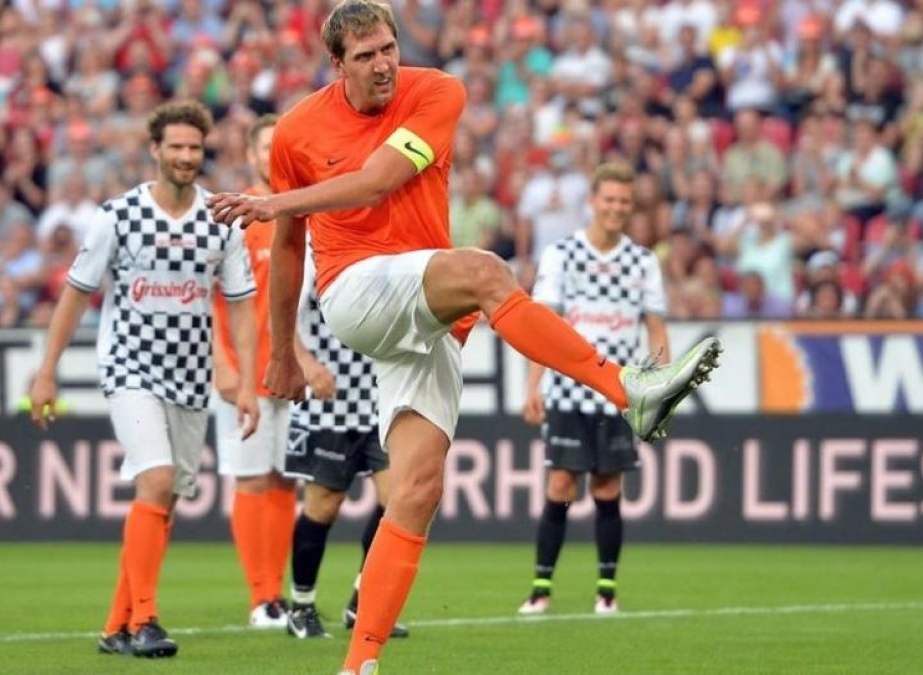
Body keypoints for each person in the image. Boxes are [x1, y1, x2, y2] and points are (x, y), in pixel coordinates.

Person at [206, 3, 721, 673]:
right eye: (365, 56)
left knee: (417, 489)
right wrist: (280, 350)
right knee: (484, 270)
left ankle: (358, 664)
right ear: (336, 65)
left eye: (388, 47)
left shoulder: (438, 91)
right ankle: (628, 388)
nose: (383, 63)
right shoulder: (297, 131)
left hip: (423, 303)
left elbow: (382, 178)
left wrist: (276, 201)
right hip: (355, 293)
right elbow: (290, 250)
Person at [28, 100, 260, 658]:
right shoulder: (118, 215)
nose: (185, 156)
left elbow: (242, 305)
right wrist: (46, 373)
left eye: (194, 148)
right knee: (155, 482)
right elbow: (76, 294)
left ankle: (115, 625)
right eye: (175, 147)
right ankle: (145, 621)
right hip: (130, 369)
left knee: (164, 502)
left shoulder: (220, 219)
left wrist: (247, 380)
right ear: (154, 150)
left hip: (191, 376)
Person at [517, 163, 669, 616]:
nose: (617, 208)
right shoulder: (562, 254)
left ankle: (606, 590)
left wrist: (657, 389)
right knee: (561, 483)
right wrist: (533, 386)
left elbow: (656, 331)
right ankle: (541, 588)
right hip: (567, 391)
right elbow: (541, 327)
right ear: (593, 201)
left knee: (607, 489)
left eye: (624, 201)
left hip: (619, 394)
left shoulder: (643, 261)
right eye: (609, 199)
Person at [283, 244, 409, 641]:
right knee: (324, 505)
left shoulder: (386, 245)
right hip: (328, 403)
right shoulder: (312, 248)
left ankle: (363, 601)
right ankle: (301, 606)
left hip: (379, 399)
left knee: (399, 501)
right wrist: (304, 362)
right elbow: (280, 312)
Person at [209, 114, 298, 629]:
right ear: (251, 155)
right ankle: (261, 596)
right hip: (245, 371)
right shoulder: (234, 215)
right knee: (251, 478)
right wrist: (221, 362)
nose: (271, 155)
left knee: (286, 479)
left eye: (279, 147)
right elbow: (204, 294)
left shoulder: (302, 211)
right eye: (264, 147)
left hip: (289, 369)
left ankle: (278, 592)